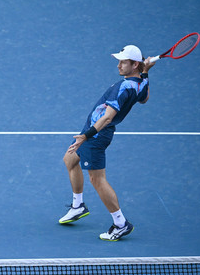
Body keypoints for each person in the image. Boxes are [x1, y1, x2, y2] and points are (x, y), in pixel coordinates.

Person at [59, 44, 154, 241]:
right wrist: (145, 72)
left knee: (97, 180)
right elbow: (144, 99)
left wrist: (86, 136)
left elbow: (108, 117)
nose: (119, 65)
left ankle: (120, 223)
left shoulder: (122, 88)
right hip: (93, 132)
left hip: (96, 135)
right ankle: (78, 206)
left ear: (134, 64)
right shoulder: (139, 83)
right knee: (70, 160)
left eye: (123, 62)